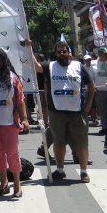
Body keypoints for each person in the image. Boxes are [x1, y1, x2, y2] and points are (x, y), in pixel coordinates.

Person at [34, 40, 94, 181]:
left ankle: (84, 171)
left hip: (77, 113)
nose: (62, 53)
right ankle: (60, 170)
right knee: (59, 142)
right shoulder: (50, 66)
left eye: (64, 51)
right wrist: (29, 48)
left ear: (69, 53)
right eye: (59, 51)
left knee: (81, 144)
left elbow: (91, 85)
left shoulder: (79, 66)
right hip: (57, 112)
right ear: (55, 54)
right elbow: (36, 67)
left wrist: (88, 105)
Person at [0, 49, 28, 196]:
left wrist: (25, 119)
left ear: (4, 60)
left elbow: (20, 100)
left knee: (12, 154)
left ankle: (17, 185)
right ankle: (4, 184)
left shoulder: (13, 78)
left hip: (10, 122)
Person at [93, 48, 107, 134]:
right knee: (102, 110)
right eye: (105, 54)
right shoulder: (93, 64)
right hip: (100, 90)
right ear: (100, 55)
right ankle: (105, 127)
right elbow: (91, 77)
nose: (106, 56)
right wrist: (93, 86)